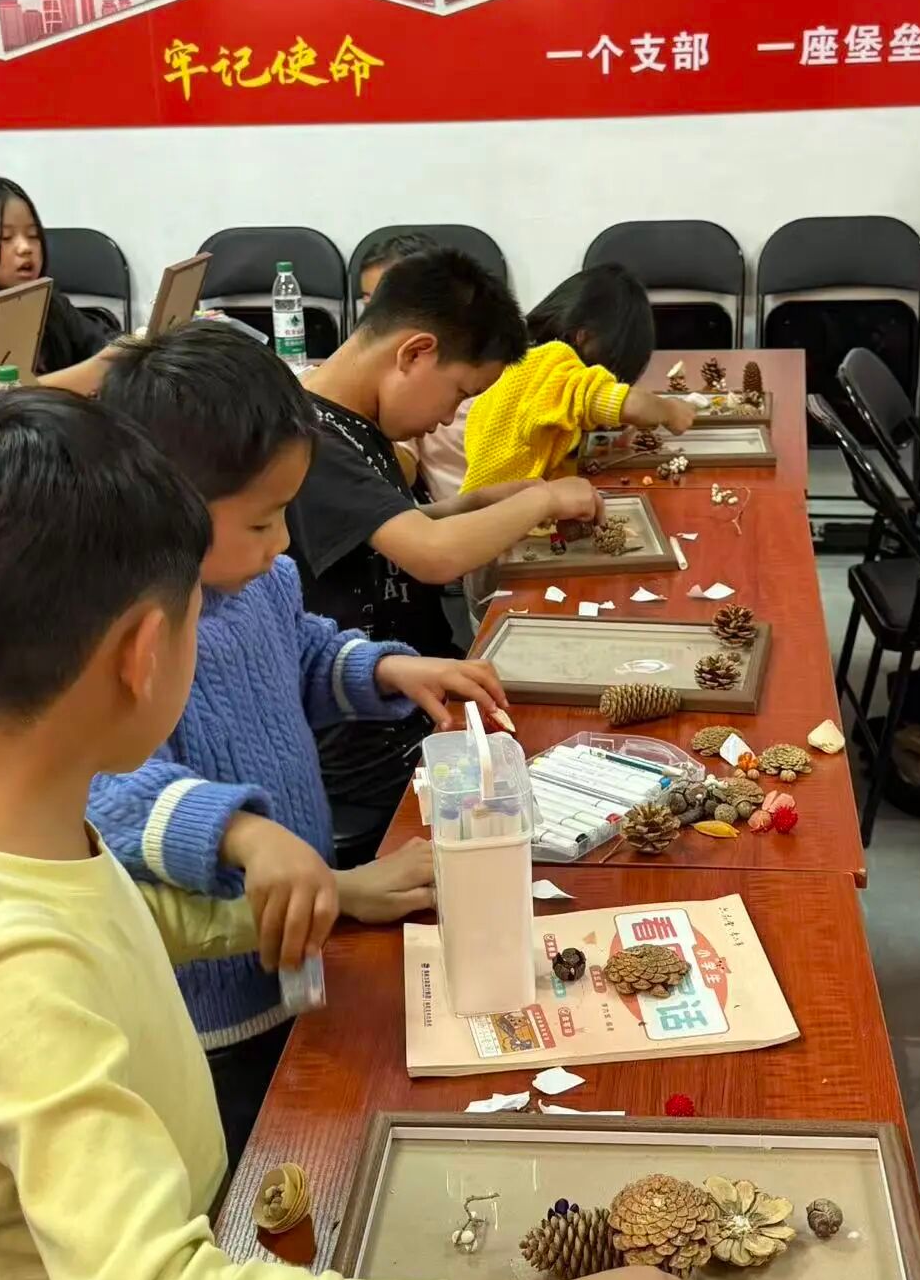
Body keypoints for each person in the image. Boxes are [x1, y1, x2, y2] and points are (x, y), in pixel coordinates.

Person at [0, 387, 730, 1280]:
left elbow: (121, 924)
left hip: (202, 1235)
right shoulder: (6, 968)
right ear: (144, 654)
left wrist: (336, 894)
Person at [88, 320, 506, 1166]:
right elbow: (108, 794)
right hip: (214, 1011)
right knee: (256, 1165)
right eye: (263, 521)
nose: (284, 544)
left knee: (322, 1119)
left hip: (303, 942)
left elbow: (304, 652)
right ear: (162, 507)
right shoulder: (126, 636)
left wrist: (388, 668)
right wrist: (243, 832)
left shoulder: (261, 581)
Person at [291, 249, 604, 847]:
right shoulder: (313, 438)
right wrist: (543, 499)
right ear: (415, 352)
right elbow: (430, 554)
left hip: (425, 704)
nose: (445, 419)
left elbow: (383, 534)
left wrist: (477, 503)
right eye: (459, 393)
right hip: (371, 750)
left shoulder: (355, 424)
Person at [462, 262, 696, 491]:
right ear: (583, 337)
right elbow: (630, 404)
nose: (609, 378)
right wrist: (669, 410)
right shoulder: (550, 362)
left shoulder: (521, 356)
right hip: (497, 509)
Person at [0, 174, 112, 392]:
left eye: (33, 234)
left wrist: (126, 349)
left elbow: (101, 342)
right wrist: (100, 368)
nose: (25, 247)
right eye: (5, 237)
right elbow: (11, 398)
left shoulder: (51, 303)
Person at [352, 229, 476, 501]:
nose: (376, 316)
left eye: (387, 301)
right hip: (464, 515)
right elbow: (403, 471)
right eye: (368, 302)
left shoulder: (484, 357)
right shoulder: (397, 375)